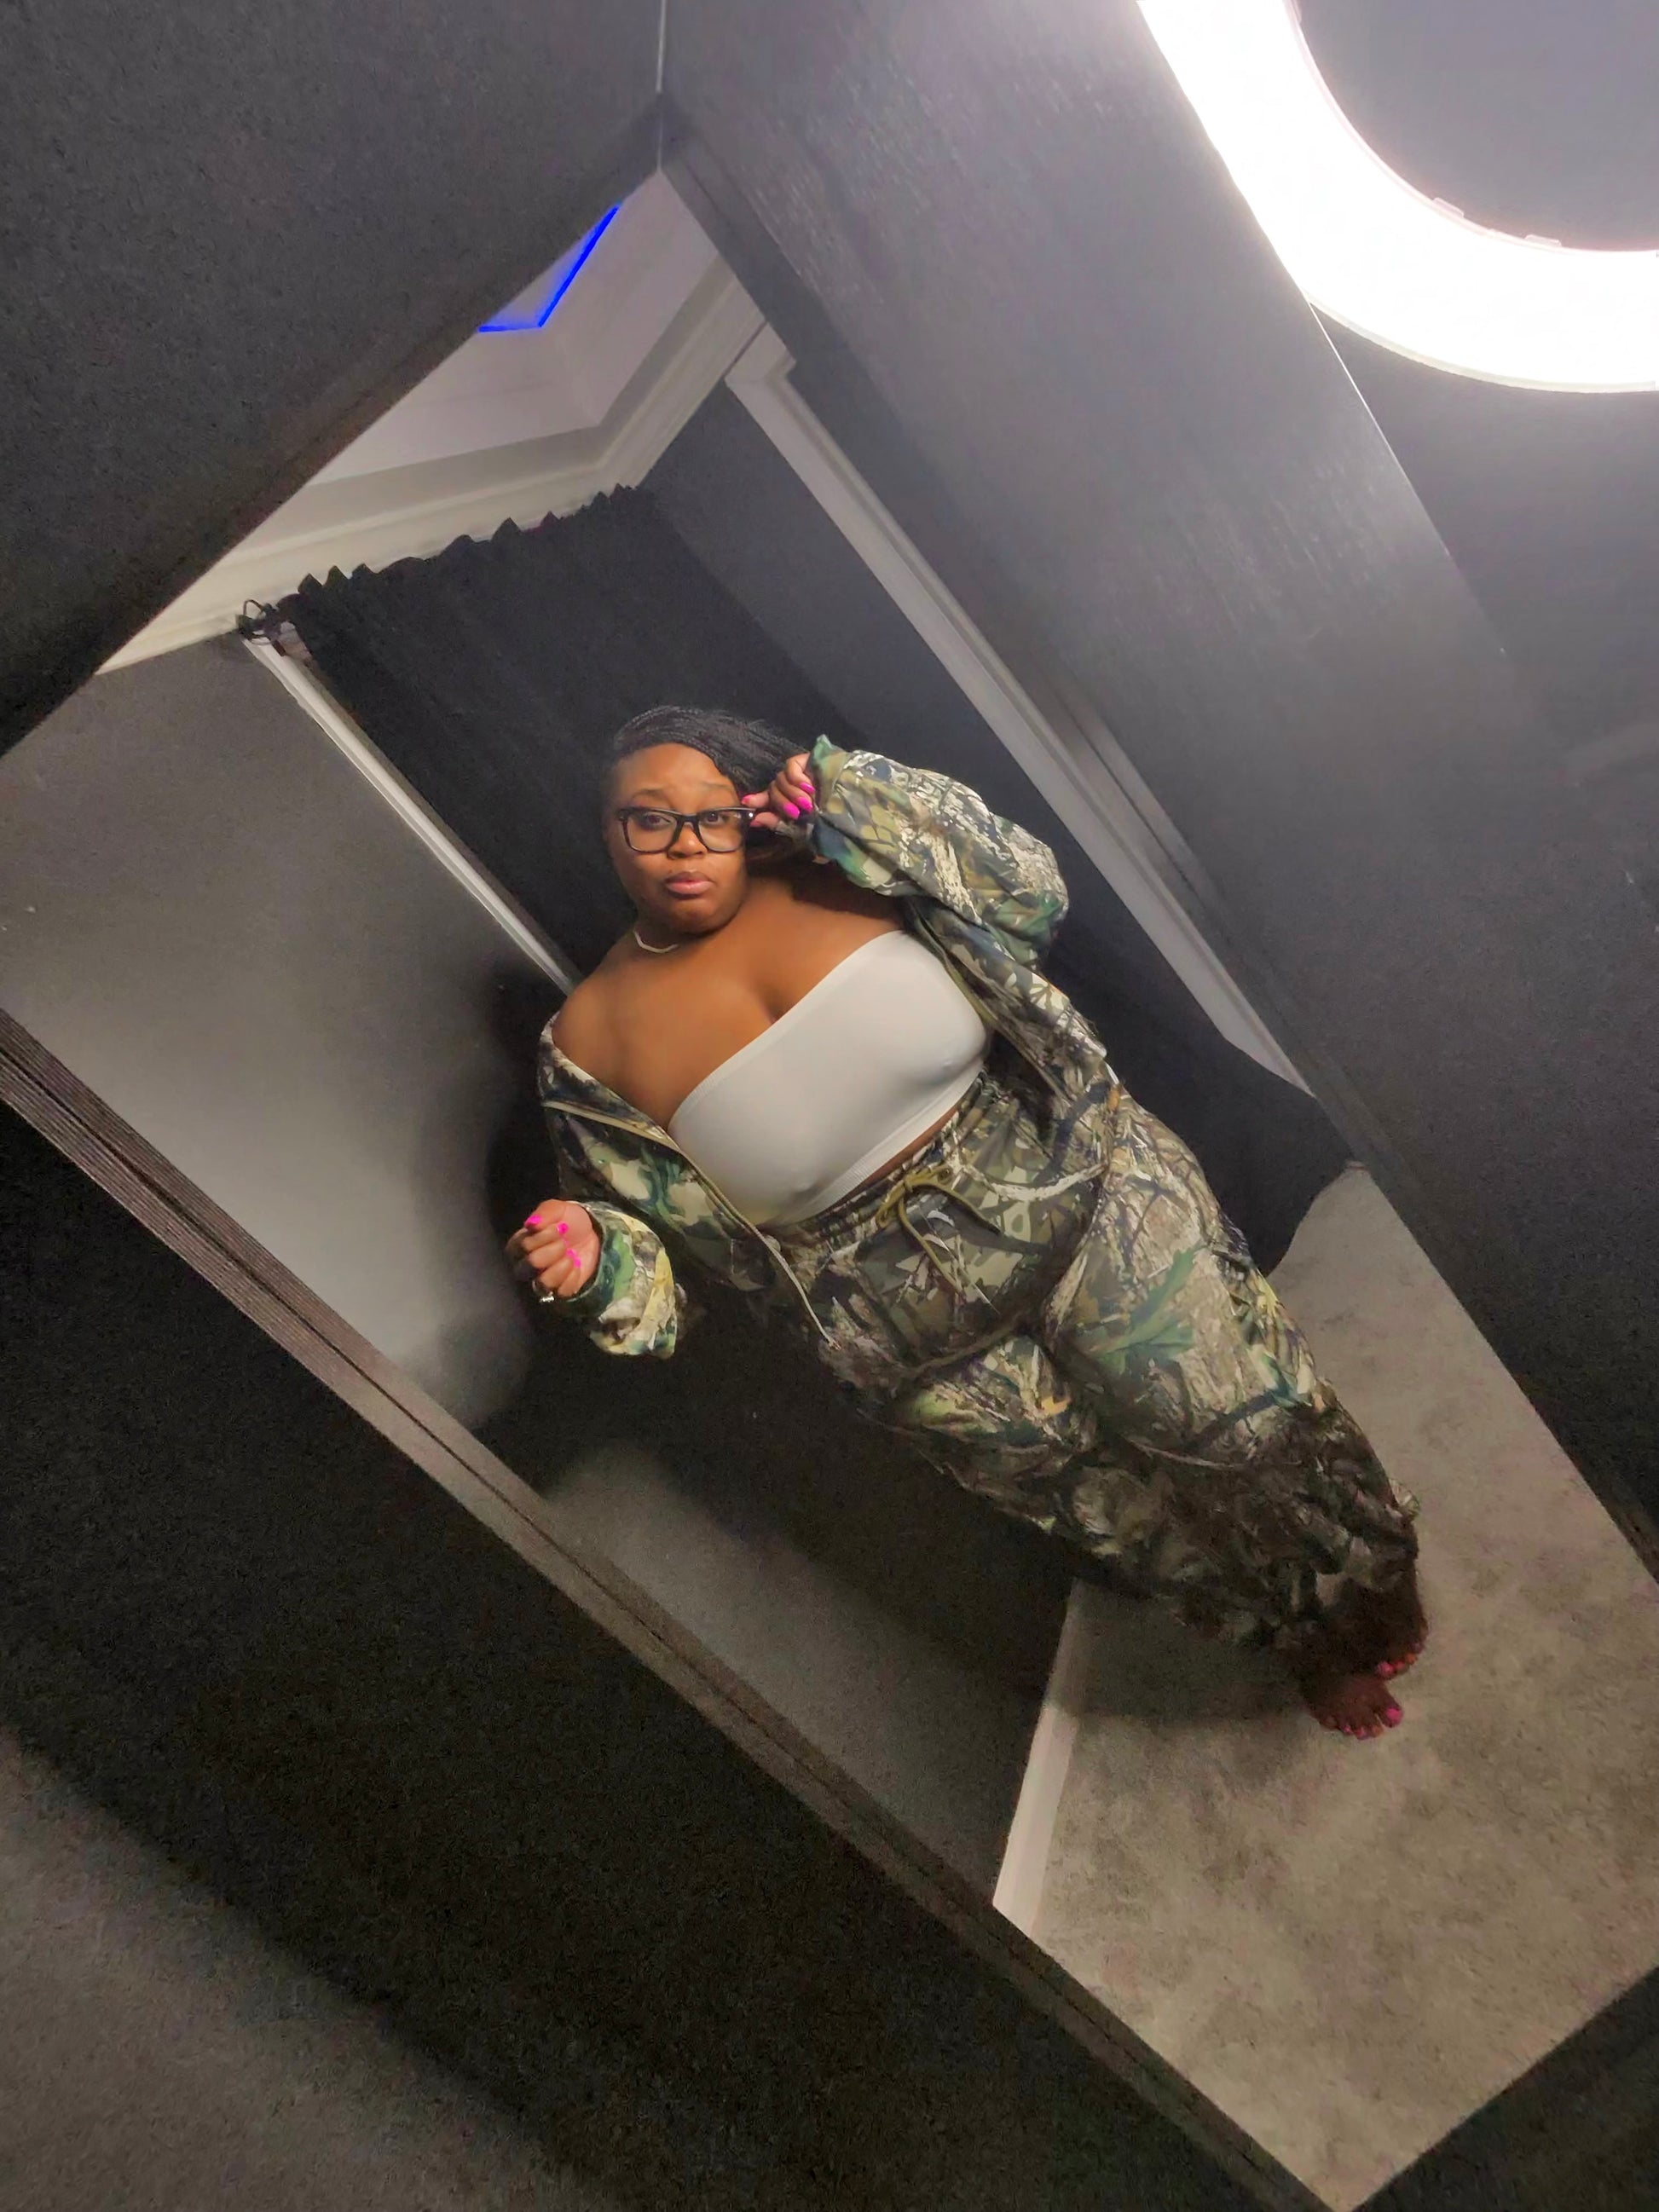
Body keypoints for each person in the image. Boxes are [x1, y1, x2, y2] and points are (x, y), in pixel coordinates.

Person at [507, 706, 1425, 1739]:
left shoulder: (850, 862)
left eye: (709, 815)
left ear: (746, 810)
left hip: (1086, 1201)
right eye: (649, 820)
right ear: (608, 832)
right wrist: (598, 1264)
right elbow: (665, 1279)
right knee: (1122, 1516)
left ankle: (1371, 1590)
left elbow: (1029, 892)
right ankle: (1297, 1642)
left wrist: (862, 801)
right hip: (913, 1345)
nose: (685, 846)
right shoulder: (583, 1047)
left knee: (1243, 1429)